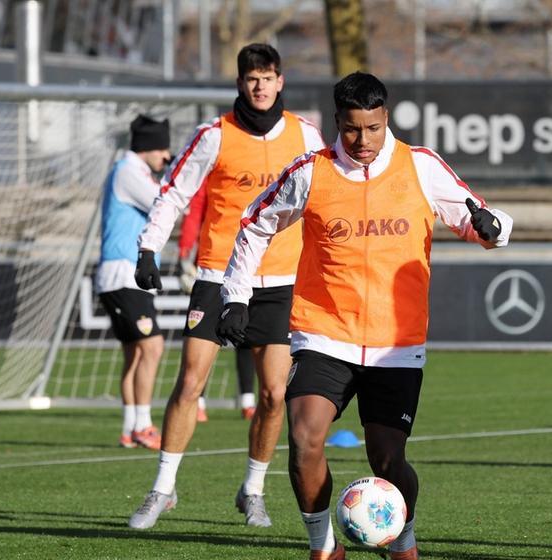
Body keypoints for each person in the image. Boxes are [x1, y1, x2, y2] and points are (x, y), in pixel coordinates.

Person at [218, 72, 512, 560]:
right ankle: (323, 547)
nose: (363, 141)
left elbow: (484, 223)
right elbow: (254, 224)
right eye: (353, 129)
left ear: (386, 119)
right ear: (338, 122)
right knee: (304, 437)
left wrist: (492, 225)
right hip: (323, 334)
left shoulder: (421, 166)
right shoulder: (310, 171)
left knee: (388, 458)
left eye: (373, 128)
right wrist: (235, 295)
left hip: (396, 343)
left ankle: (403, 540)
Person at [128, 43, 324, 530]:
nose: (260, 85)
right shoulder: (212, 135)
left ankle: (253, 490)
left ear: (281, 81)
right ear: (241, 83)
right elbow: (174, 193)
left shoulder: (307, 136)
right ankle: (162, 489)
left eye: (268, 76)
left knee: (275, 394)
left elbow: (329, 197)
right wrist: (148, 247)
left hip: (280, 281)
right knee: (190, 383)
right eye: (251, 77)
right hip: (217, 275)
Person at [97, 115, 170, 450]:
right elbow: (166, 203)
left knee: (134, 354)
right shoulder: (129, 172)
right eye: (163, 148)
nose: (166, 156)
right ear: (148, 146)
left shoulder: (129, 170)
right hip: (123, 273)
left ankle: (130, 428)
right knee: (152, 347)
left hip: (120, 275)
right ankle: (144, 425)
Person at [179, 186, 259, 421]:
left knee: (245, 336)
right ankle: (199, 401)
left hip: (251, 268)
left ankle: (247, 400)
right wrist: (185, 254)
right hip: (212, 269)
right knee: (205, 339)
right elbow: (195, 213)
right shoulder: (212, 174)